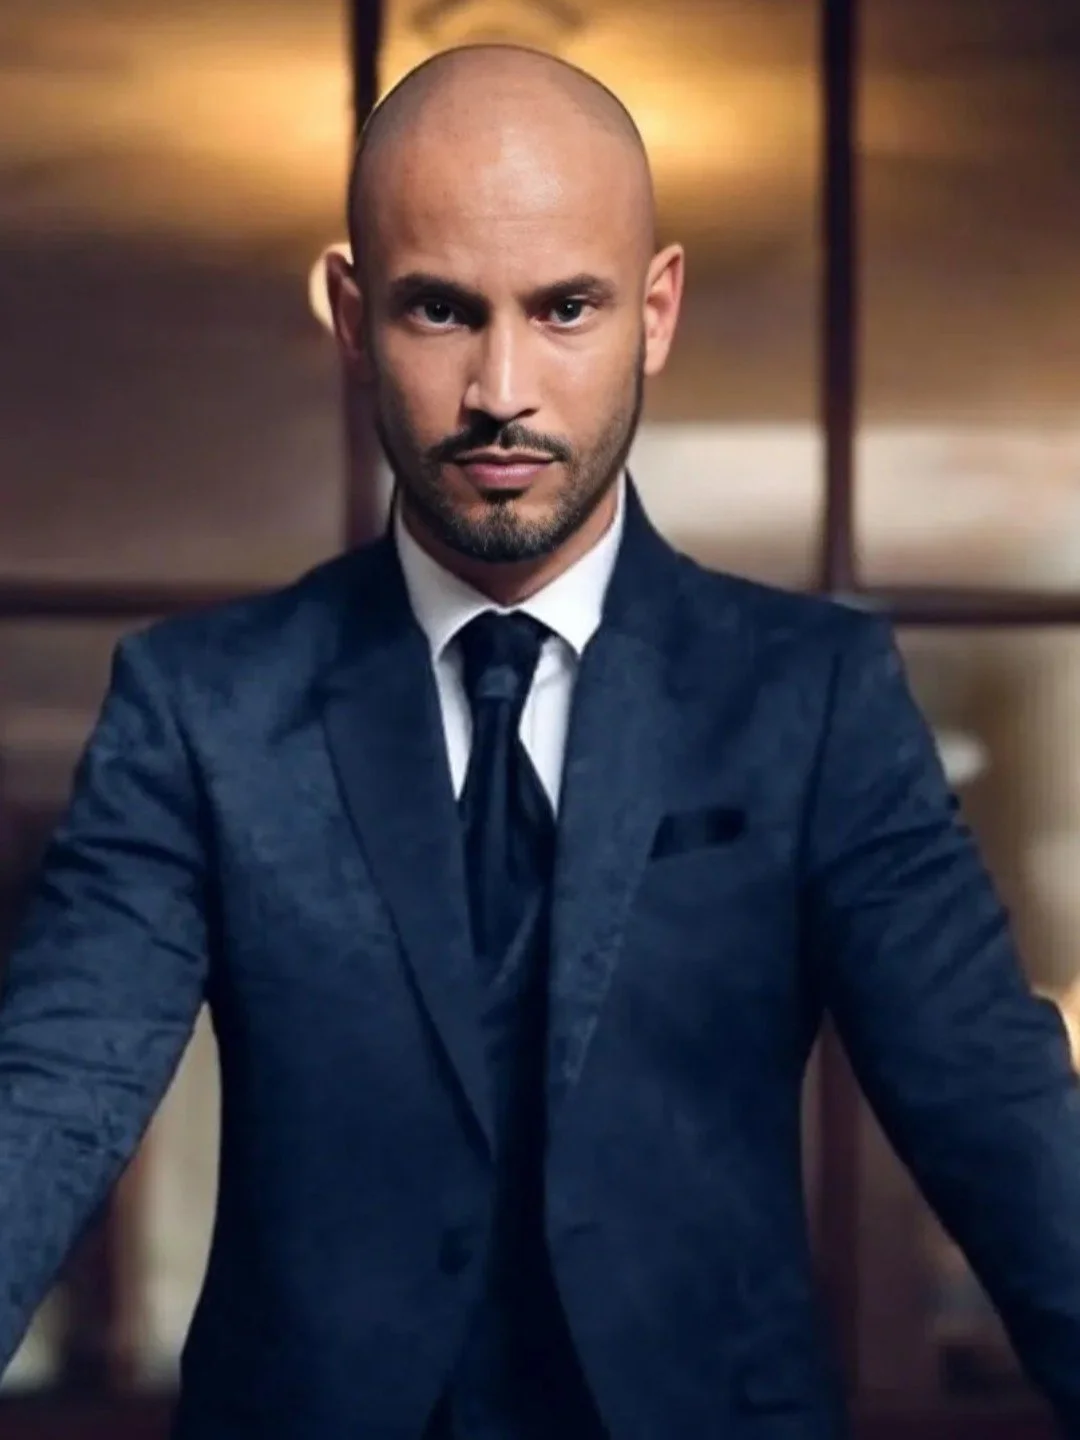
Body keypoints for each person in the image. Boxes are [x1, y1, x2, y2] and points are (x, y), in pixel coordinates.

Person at [1, 42, 1080, 1440]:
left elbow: (993, 1113)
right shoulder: (198, 705)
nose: (500, 388)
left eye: (564, 308)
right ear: (348, 313)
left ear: (658, 309)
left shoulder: (812, 698)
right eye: (441, 311)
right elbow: (52, 1101)